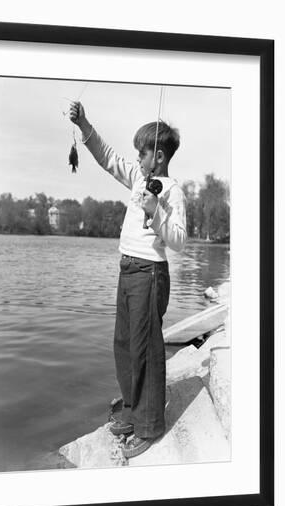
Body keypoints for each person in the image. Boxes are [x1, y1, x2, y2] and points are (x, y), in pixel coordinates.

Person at [69, 101, 187, 459]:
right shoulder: (138, 178)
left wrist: (157, 212)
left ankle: (150, 425)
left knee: (147, 351)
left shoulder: (172, 191)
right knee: (124, 345)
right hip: (127, 270)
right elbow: (107, 157)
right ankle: (133, 413)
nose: (136, 158)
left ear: (160, 157)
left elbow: (180, 241)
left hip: (150, 274)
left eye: (142, 152)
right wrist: (84, 122)